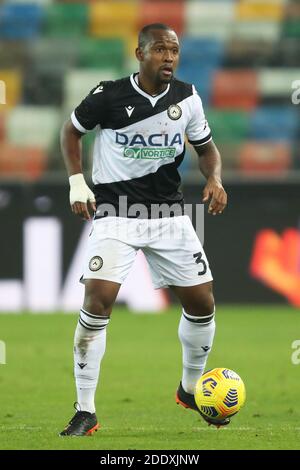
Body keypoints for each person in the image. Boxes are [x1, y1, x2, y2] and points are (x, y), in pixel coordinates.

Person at [59, 23, 227, 436]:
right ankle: (85, 410)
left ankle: (190, 389)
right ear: (140, 53)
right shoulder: (109, 95)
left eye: (174, 50)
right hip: (117, 212)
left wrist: (214, 178)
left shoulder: (187, 97)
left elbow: (206, 148)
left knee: (202, 302)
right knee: (98, 300)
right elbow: (71, 131)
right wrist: (77, 183)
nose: (169, 57)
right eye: (160, 50)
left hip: (168, 215)